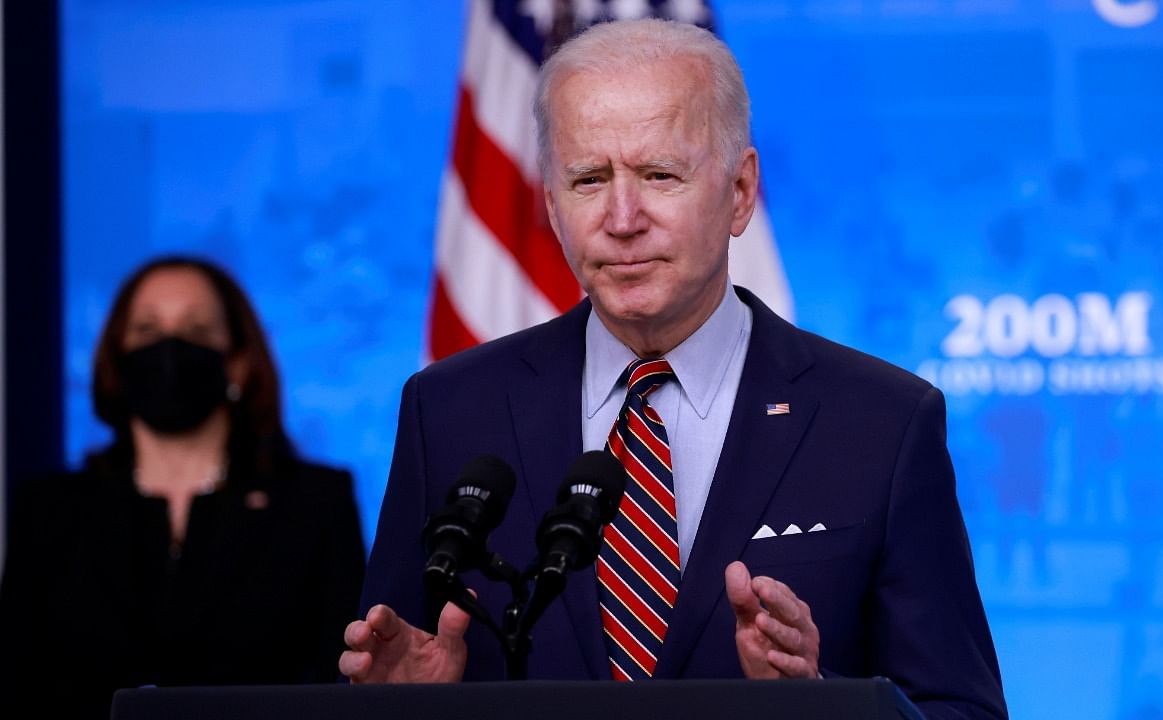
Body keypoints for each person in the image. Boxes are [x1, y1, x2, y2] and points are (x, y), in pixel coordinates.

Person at [344, 18, 1006, 719]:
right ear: (549, 203)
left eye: (660, 175)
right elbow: (391, 670)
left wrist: (820, 702)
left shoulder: (882, 422)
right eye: (589, 179)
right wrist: (400, 709)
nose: (622, 218)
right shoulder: (448, 410)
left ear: (741, 191)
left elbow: (959, 710)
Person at [0, 256, 366, 719]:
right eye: (147, 331)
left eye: (194, 331)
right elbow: (17, 685)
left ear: (237, 362)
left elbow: (343, 683)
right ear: (116, 356)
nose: (169, 348)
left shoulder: (316, 504)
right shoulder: (50, 510)